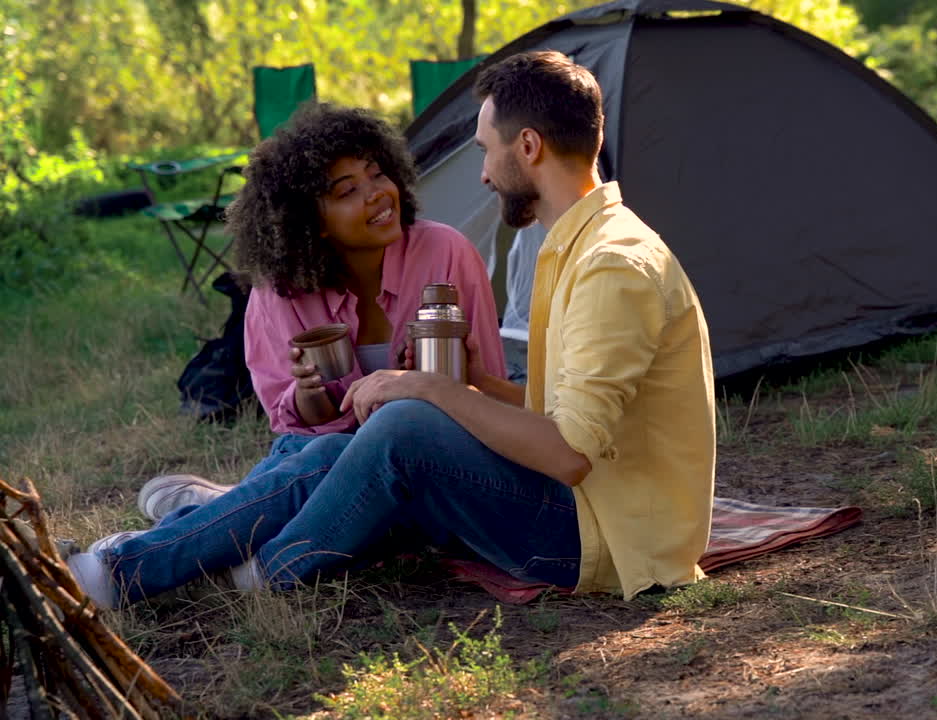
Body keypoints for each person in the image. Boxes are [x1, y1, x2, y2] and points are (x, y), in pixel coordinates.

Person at [68, 50, 715, 607]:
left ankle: (242, 561)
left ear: (528, 148)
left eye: (486, 153)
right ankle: (208, 558)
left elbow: (569, 455)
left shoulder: (610, 267)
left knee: (403, 427)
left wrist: (426, 389)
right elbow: (563, 418)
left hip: (603, 539)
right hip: (593, 509)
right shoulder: (572, 247)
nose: (483, 175)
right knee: (344, 452)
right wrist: (480, 384)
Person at [136, 102, 506, 520]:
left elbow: (487, 386)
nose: (377, 194)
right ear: (314, 221)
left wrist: (423, 382)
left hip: (426, 453)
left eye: (377, 173)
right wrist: (310, 395)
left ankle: (230, 504)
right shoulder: (280, 291)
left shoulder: (446, 252)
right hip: (319, 453)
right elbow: (294, 424)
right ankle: (233, 509)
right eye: (347, 191)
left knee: (332, 484)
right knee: (324, 458)